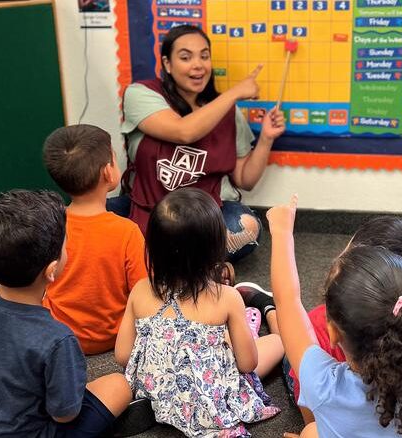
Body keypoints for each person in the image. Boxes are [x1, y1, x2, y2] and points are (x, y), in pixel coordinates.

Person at [267, 196, 402, 437]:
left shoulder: (325, 387)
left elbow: (288, 300)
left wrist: (282, 231)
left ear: (333, 332)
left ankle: (266, 311)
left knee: (310, 431)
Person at [0, 190, 132, 437]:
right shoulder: (57, 338)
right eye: (67, 243)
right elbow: (64, 414)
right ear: (52, 270)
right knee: (118, 385)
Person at [114, 188, 283, 437]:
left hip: (156, 386)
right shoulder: (227, 297)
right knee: (278, 340)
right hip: (209, 395)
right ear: (216, 248)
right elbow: (248, 363)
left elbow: (122, 355)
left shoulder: (140, 290)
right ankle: (268, 309)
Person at [118, 24, 286, 261]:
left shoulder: (228, 110)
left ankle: (163, 259)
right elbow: (183, 132)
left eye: (204, 56)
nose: (198, 65)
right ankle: (194, 263)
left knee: (245, 227)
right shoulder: (141, 94)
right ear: (167, 64)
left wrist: (267, 138)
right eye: (186, 57)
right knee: (90, 221)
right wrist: (235, 93)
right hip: (151, 209)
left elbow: (245, 180)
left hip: (208, 214)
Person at [284, 216, 402, 423]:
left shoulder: (319, 326)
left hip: (315, 379)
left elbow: (313, 420)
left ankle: (266, 309)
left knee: (287, 341)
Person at [42, 125, 148, 355]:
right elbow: (143, 290)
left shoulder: (50, 225)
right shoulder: (127, 231)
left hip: (59, 335)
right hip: (115, 336)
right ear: (108, 173)